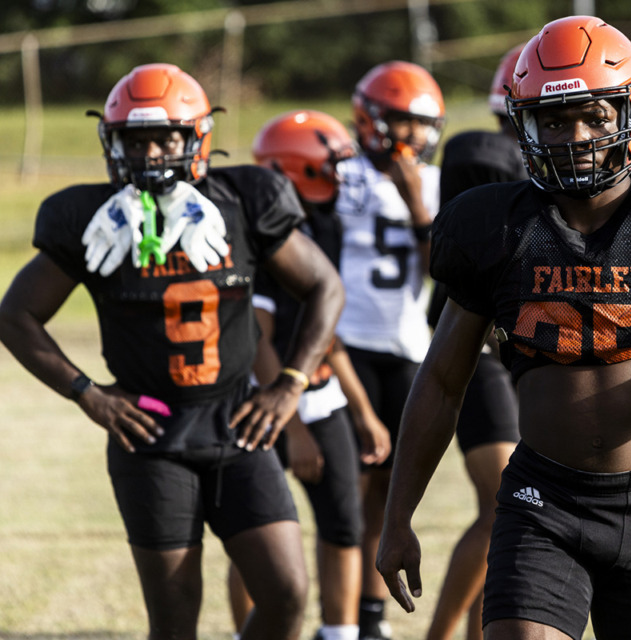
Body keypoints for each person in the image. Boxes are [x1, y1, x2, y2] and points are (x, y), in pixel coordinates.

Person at [376, 16, 631, 640]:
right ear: (525, 128)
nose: (575, 136)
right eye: (554, 122)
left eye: (595, 116)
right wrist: (398, 519)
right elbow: (443, 383)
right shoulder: (497, 227)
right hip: (542, 499)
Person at [0, 63, 345, 640]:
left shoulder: (244, 200)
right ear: (113, 143)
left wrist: (289, 383)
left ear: (196, 138)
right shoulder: (91, 219)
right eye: (136, 140)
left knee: (286, 593)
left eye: (165, 138)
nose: (151, 152)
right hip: (149, 436)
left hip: (237, 423)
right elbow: (15, 317)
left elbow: (325, 285)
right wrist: (88, 394)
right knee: (174, 621)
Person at [226, 109, 393, 640]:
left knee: (345, 522)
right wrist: (292, 424)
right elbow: (255, 337)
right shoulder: (263, 230)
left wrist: (363, 410)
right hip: (263, 400)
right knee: (257, 534)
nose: (344, 175)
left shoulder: (326, 224)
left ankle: (340, 634)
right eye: (332, 164)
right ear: (296, 169)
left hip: (319, 390)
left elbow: (325, 329)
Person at [333, 60, 445, 640]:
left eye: (422, 125)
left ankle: (370, 616)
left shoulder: (433, 183)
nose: (413, 137)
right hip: (347, 344)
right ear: (369, 119)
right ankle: (343, 617)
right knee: (347, 493)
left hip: (406, 347)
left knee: (387, 490)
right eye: (401, 122)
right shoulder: (340, 175)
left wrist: (418, 208)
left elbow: (444, 273)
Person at [422, 43, 527, 640]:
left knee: (521, 511)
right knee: (502, 502)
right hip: (482, 346)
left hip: (534, 348)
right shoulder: (479, 153)